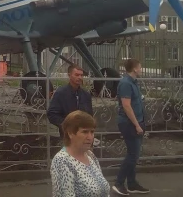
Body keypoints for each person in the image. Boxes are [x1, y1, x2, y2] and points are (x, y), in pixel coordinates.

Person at [50, 110, 110, 197]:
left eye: (92, 132)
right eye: (85, 132)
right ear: (70, 133)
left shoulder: (90, 155)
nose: (90, 137)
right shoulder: (62, 161)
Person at [112, 59, 149, 195]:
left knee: (134, 153)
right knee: (133, 154)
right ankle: (119, 183)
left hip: (138, 121)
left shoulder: (133, 82)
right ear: (134, 68)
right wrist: (137, 125)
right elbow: (126, 106)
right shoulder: (126, 83)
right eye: (140, 66)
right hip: (129, 123)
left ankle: (132, 183)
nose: (141, 68)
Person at [47, 64, 94, 139]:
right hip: (68, 136)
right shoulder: (61, 93)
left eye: (81, 75)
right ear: (69, 75)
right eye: (77, 75)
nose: (79, 78)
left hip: (84, 136)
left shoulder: (86, 95)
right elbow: (52, 114)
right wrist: (67, 125)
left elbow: (90, 115)